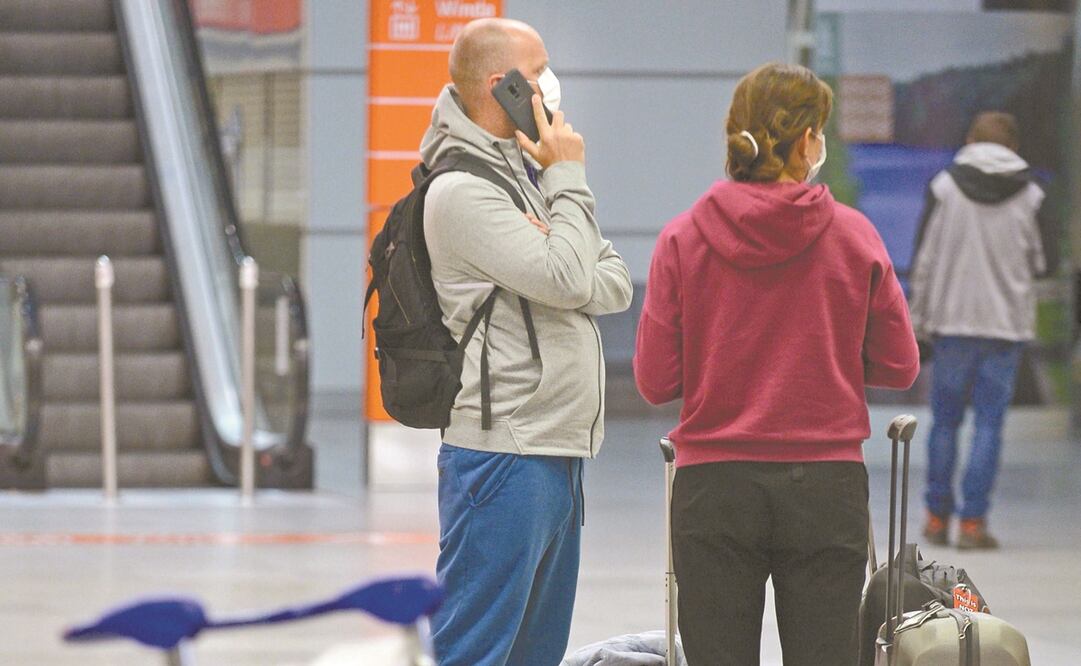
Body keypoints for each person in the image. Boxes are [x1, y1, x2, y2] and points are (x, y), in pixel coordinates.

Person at [634, 62, 919, 665]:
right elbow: (900, 365)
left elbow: (655, 380)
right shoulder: (855, 235)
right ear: (807, 140)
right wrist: (826, 352)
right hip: (825, 488)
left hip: (714, 487)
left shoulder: (682, 239)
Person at [420, 18, 633, 666]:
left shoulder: (519, 174)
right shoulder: (461, 192)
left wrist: (556, 193)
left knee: (535, 652)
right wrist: (567, 173)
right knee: (476, 650)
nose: (549, 84)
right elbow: (571, 274)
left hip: (554, 447)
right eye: (537, 71)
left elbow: (614, 280)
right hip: (504, 455)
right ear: (501, 86)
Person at [909, 111, 1057, 550]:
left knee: (945, 424)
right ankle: (973, 524)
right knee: (989, 427)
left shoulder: (943, 187)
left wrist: (919, 320)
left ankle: (937, 517)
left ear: (971, 140)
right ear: (1013, 147)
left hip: (953, 322)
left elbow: (925, 258)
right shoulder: (1032, 195)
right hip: (1004, 328)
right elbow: (1043, 263)